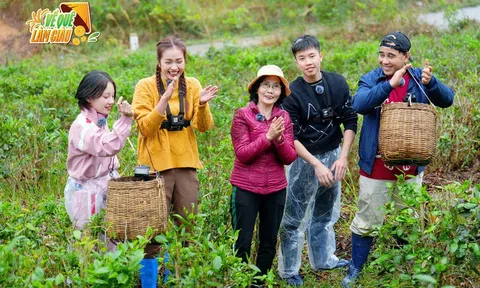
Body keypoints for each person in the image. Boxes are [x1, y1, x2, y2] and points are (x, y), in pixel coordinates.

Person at [341, 31, 454, 288]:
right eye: (382, 55)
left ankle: (406, 265)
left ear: (406, 56)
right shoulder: (372, 78)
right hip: (377, 164)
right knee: (367, 218)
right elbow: (358, 104)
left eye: (391, 56)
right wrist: (388, 85)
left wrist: (432, 82)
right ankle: (355, 269)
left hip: (411, 164)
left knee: (409, 216)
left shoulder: (418, 79)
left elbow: (447, 100)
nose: (385, 60)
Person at [132, 36, 218, 287]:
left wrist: (201, 104)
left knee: (186, 227)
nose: (174, 67)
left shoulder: (192, 85)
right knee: (151, 231)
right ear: (158, 63)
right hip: (152, 168)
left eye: (178, 61)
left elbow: (204, 127)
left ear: (185, 61)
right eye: (168, 62)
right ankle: (149, 283)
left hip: (185, 165)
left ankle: (174, 280)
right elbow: (145, 128)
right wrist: (162, 100)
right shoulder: (145, 86)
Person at [278, 35, 358, 286]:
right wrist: (316, 164)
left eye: (312, 56)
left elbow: (350, 121)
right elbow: (291, 137)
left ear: (320, 56)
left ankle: (323, 259)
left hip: (334, 155)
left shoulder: (338, 83)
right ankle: (289, 270)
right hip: (304, 161)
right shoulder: (291, 93)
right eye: (302, 58)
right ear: (296, 62)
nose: (308, 62)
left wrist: (342, 158)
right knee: (293, 218)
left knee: (325, 213)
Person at [230, 65, 297, 281]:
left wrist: (278, 140)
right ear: (257, 88)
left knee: (268, 240)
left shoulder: (284, 117)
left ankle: (260, 282)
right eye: (266, 85)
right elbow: (243, 154)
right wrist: (268, 136)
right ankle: (241, 281)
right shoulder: (243, 115)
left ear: (281, 92)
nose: (270, 90)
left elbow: (289, 157)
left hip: (276, 188)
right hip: (246, 188)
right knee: (243, 240)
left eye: (275, 86)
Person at [64, 70, 133, 230]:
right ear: (89, 97)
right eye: (105, 96)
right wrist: (125, 120)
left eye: (112, 96)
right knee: (89, 241)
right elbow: (106, 146)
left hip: (105, 184)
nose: (110, 101)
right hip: (87, 191)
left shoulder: (100, 121)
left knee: (112, 239)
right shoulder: (83, 126)